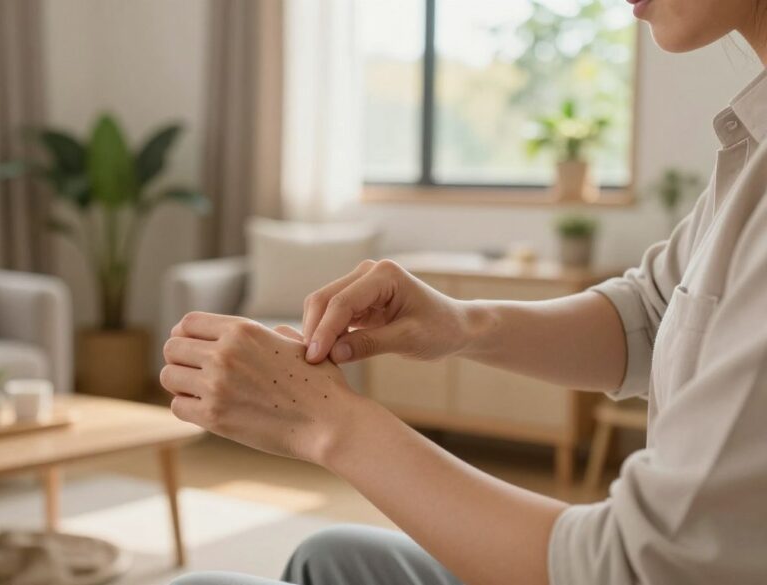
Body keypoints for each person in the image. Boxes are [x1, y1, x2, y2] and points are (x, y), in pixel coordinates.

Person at [160, 0, 767, 583]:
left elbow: (634, 570)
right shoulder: (751, 149)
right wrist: (462, 323)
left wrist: (326, 423)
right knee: (331, 553)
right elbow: (652, 314)